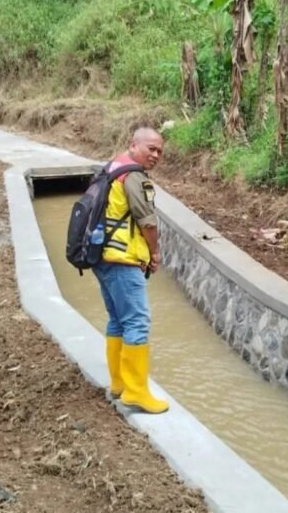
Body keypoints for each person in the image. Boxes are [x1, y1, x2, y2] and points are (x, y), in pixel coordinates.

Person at [94, 127, 168, 414]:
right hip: (123, 259)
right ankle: (136, 392)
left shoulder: (113, 167)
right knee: (137, 321)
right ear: (133, 145)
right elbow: (147, 221)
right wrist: (154, 252)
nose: (156, 155)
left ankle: (119, 384)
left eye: (160, 150)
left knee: (117, 320)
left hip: (103, 255)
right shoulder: (134, 176)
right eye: (151, 148)